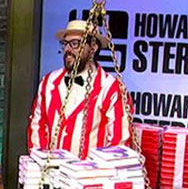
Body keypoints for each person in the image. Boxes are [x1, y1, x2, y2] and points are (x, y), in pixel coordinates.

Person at [27, 19, 132, 158]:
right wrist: (41, 161)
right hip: (51, 170)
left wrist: (93, 168)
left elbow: (119, 142)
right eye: (65, 43)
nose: (68, 49)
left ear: (93, 48)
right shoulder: (48, 82)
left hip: (91, 170)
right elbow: (37, 125)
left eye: (75, 43)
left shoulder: (111, 87)